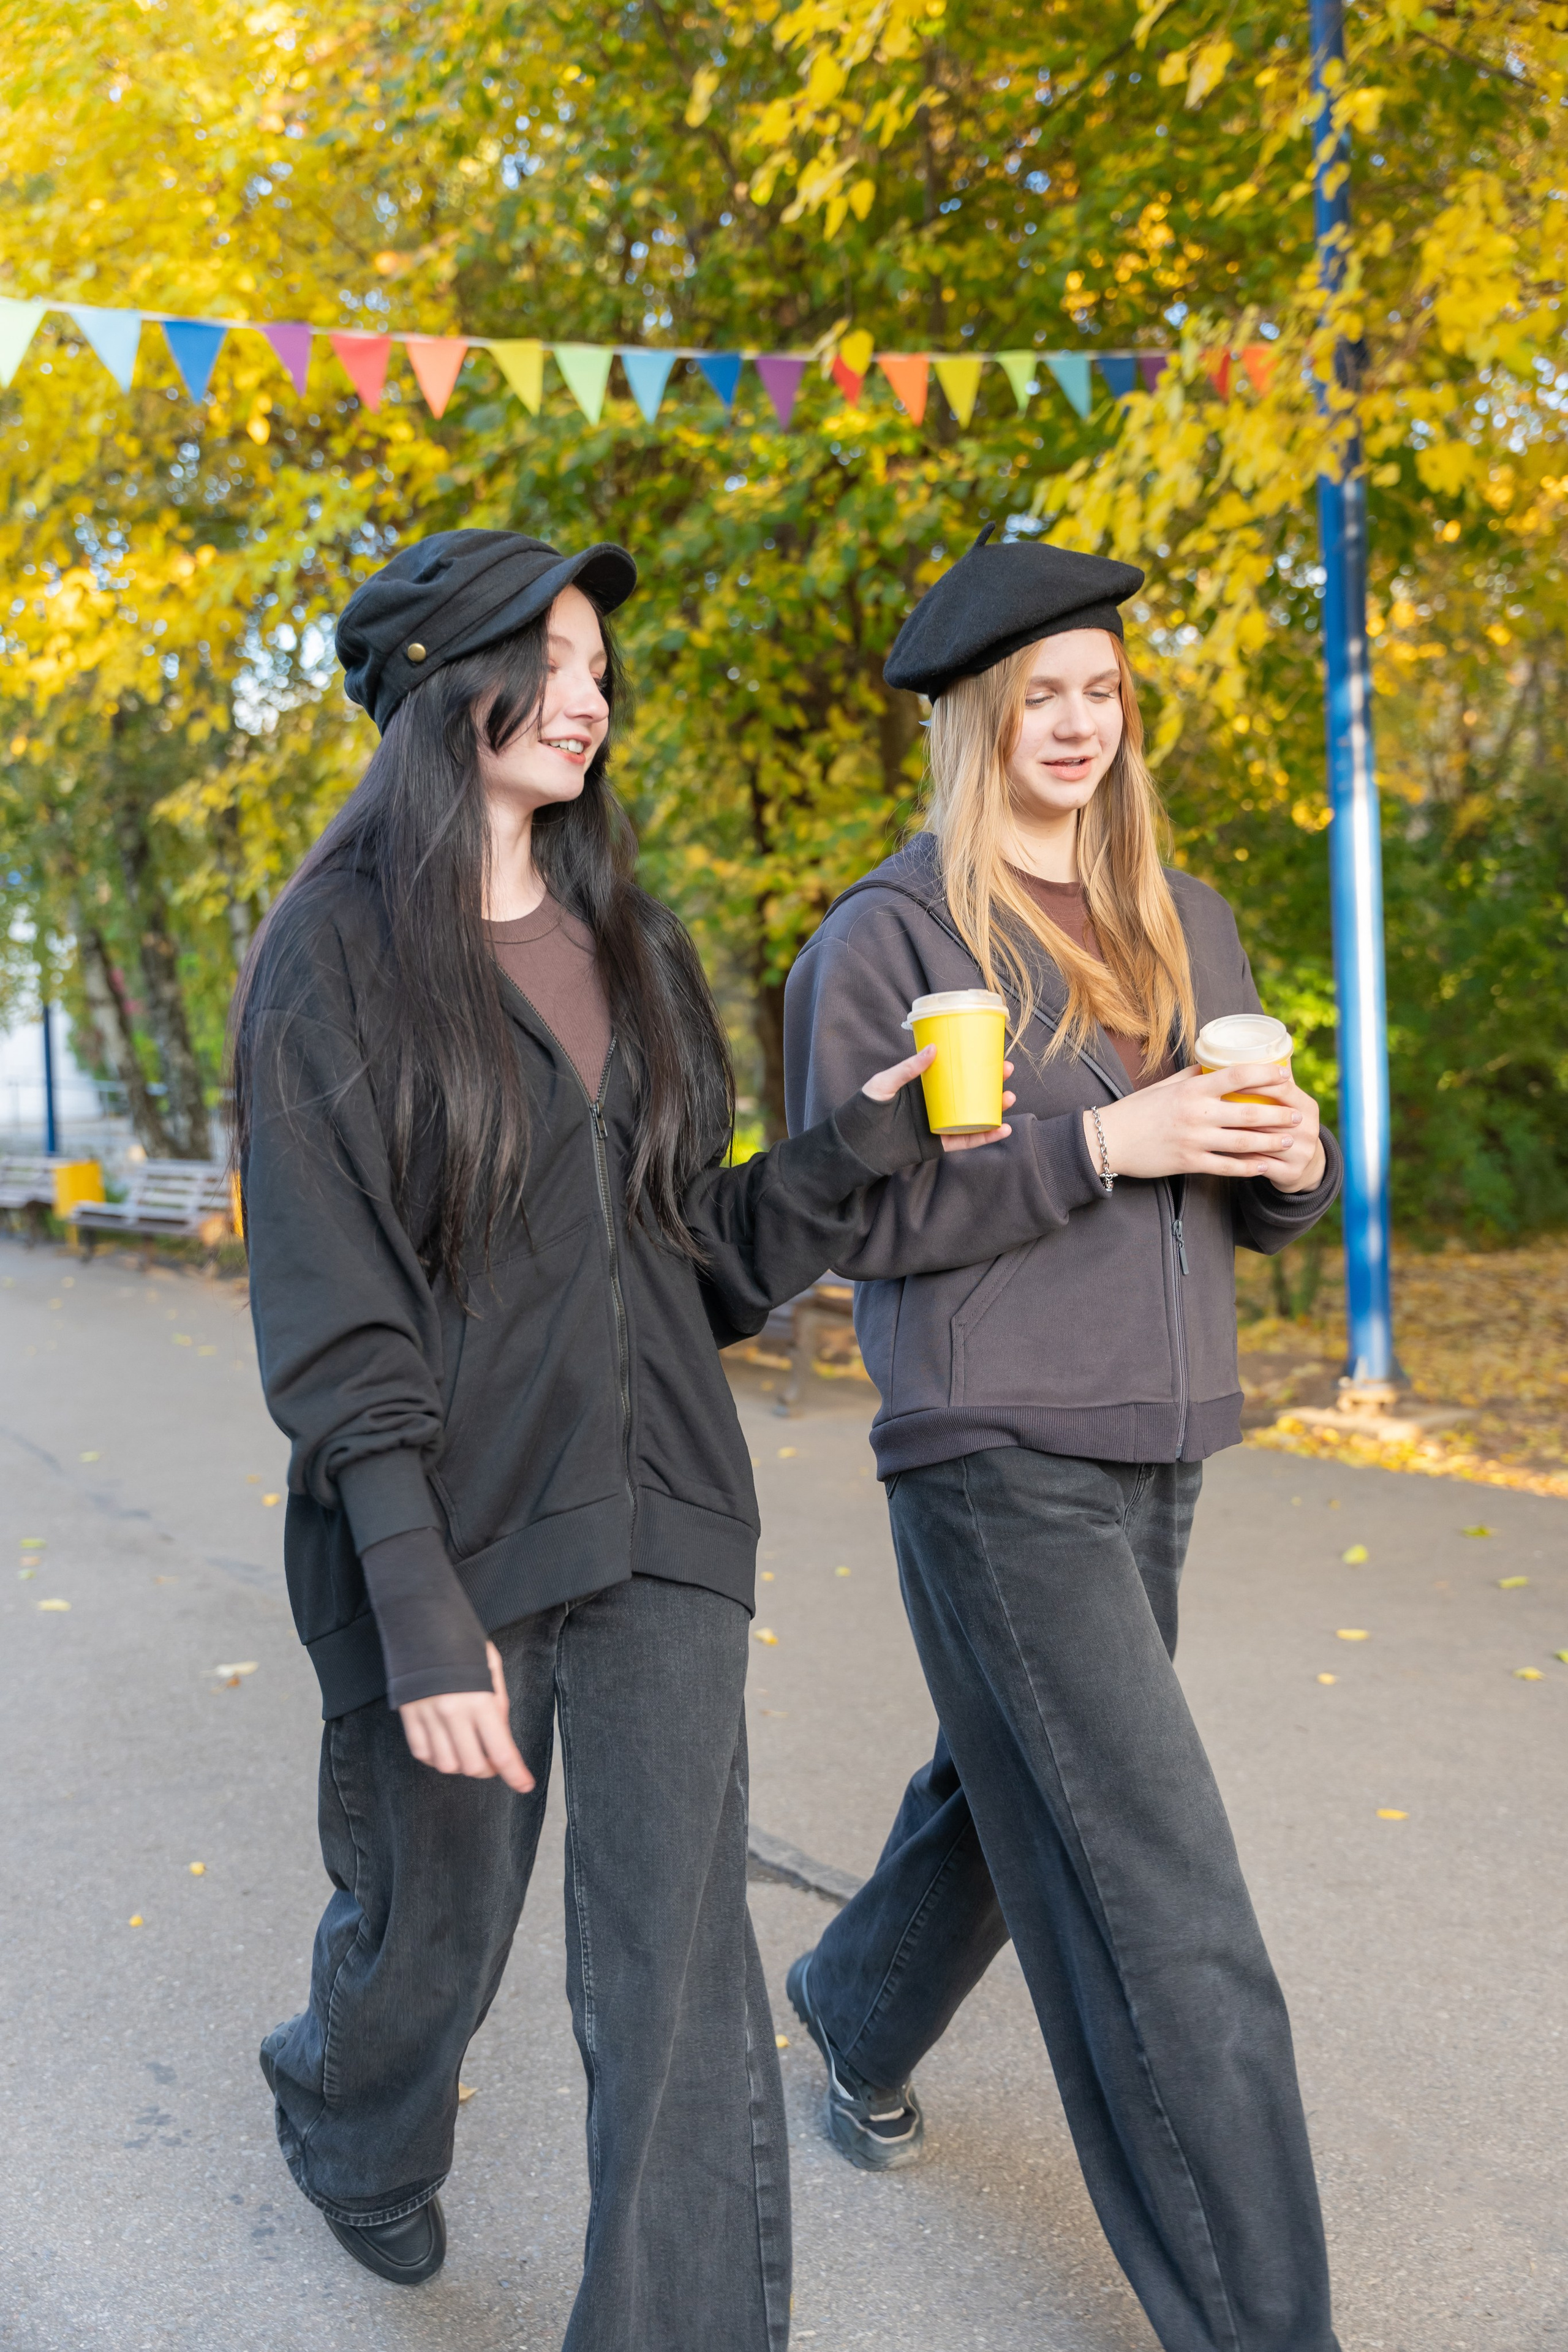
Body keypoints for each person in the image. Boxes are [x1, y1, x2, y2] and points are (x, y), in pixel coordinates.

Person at [229, 528, 1003, 2350]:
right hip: (454, 1539)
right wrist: (419, 1607)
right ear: (442, 681)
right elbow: (337, 1322)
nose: (593, 696)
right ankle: (350, 2120)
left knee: (676, 1987)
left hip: (665, 1520)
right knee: (438, 1938)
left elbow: (683, 1262)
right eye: (557, 658)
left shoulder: (627, 944)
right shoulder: (332, 959)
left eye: (598, 667)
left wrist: (850, 1155)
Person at [782, 530, 1345, 2352]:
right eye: (1048, 696)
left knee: (1018, 1776)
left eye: (1107, 692)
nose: (1083, 723)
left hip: (1162, 1433)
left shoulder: (1185, 917)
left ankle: (857, 2018)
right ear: (978, 718)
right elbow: (854, 1227)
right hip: (991, 1442)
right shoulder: (893, 940)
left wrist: (1294, 1164)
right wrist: (1112, 1142)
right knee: (1168, 1898)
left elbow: (1243, 1193)